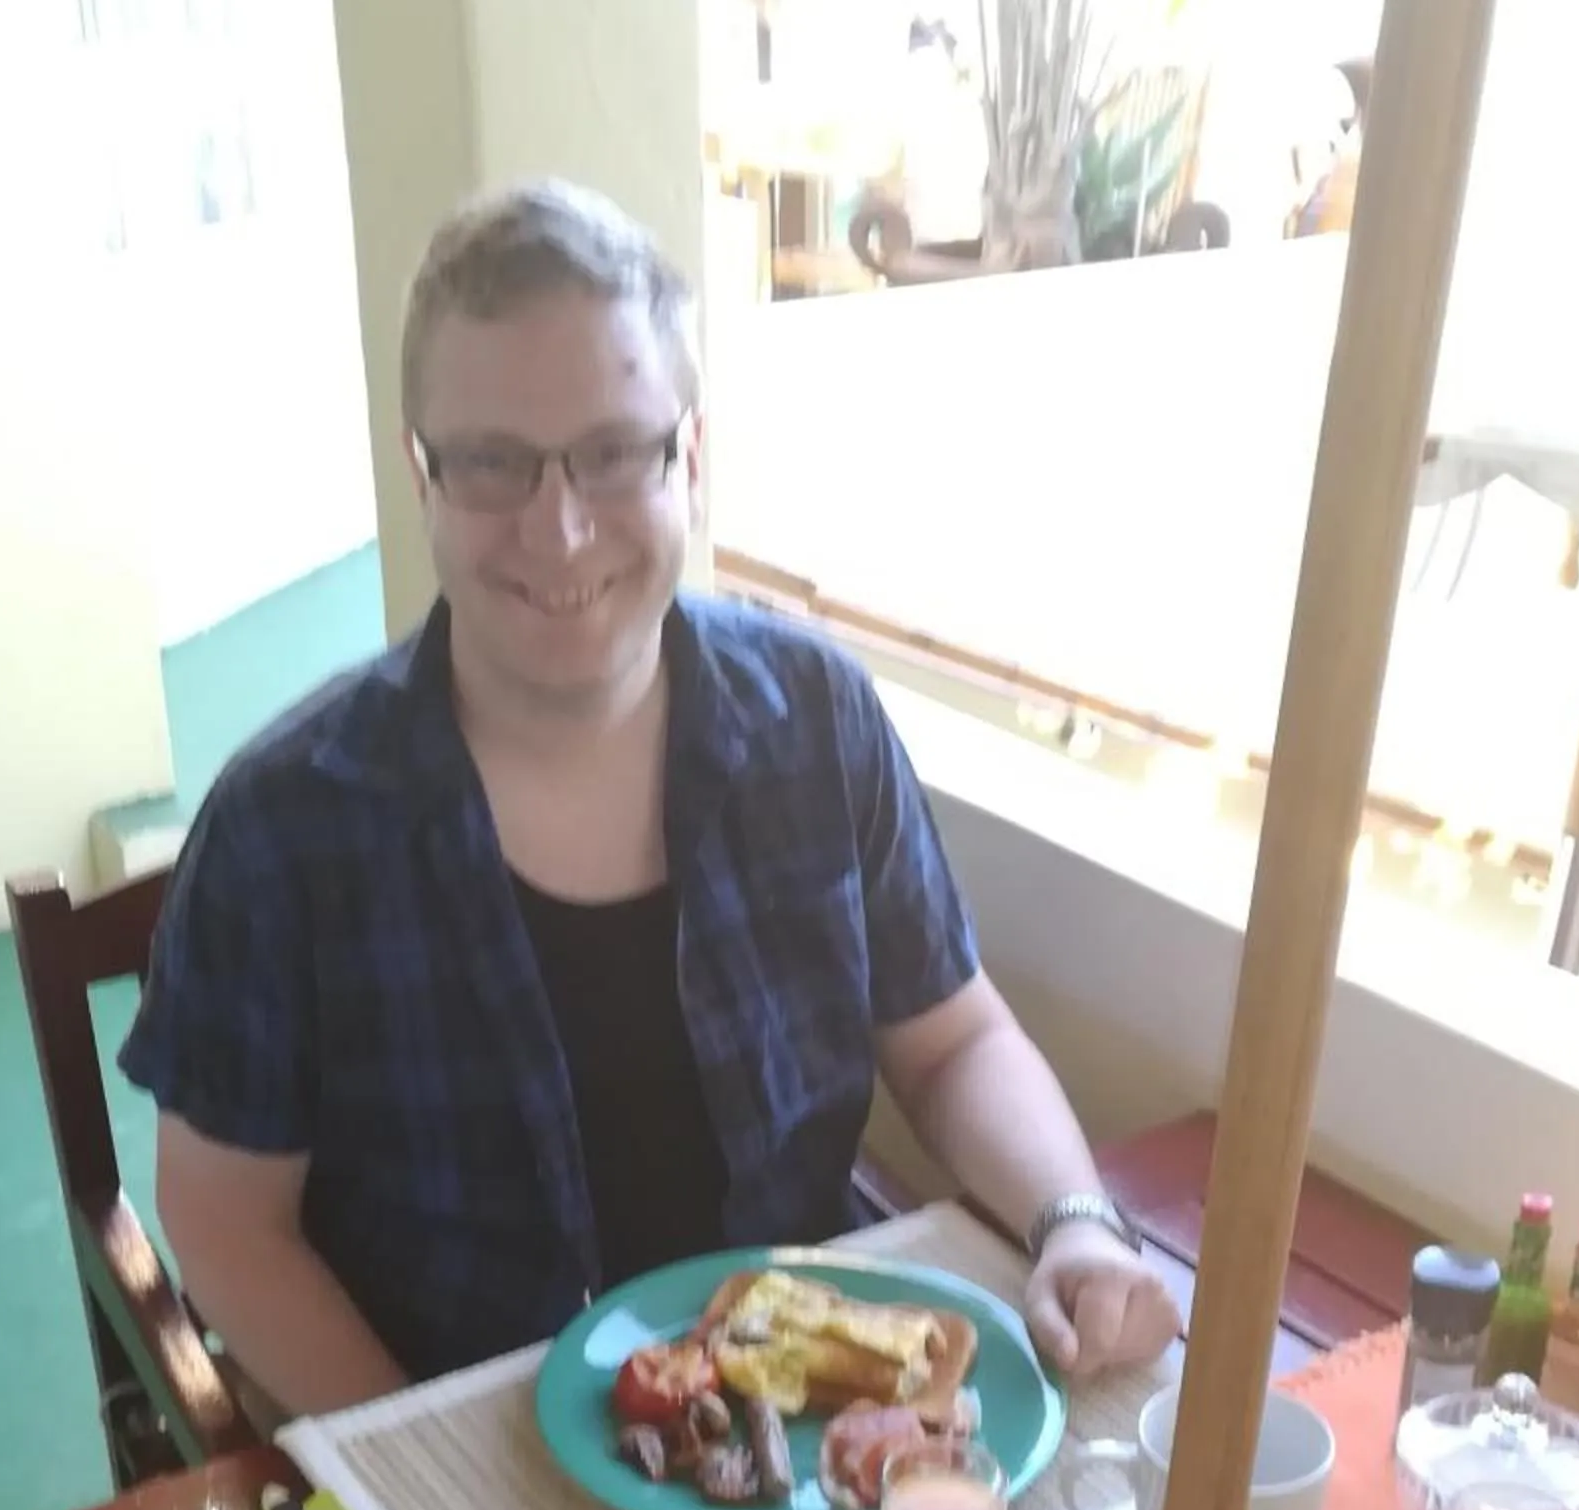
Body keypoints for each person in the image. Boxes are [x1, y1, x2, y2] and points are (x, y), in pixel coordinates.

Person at [121, 180, 1180, 1418]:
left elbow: (954, 1042)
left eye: (615, 452)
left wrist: (1075, 1224)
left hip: (805, 1432)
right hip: (461, 1419)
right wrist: (427, 1470)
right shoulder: (284, 829)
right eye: (493, 466)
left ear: (691, 454)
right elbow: (226, 1226)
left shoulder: (820, 723)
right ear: (423, 476)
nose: (559, 531)